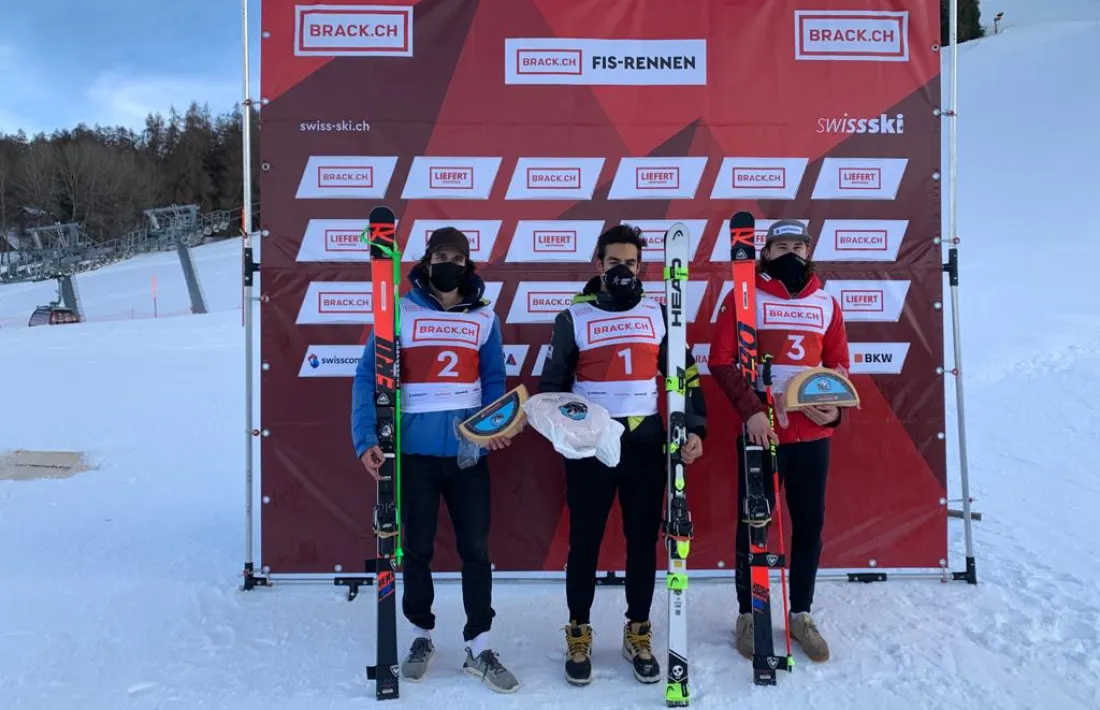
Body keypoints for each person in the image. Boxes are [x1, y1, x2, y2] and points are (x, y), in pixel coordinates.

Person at [351, 227, 520, 694]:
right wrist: (365, 438)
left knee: (476, 549)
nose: (449, 264)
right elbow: (367, 376)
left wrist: (494, 427)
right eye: (441, 256)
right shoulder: (399, 311)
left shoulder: (484, 316)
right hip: (414, 454)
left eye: (457, 258)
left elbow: (494, 379)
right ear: (427, 262)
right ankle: (421, 635)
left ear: (467, 265)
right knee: (417, 548)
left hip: (467, 453)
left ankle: (479, 644)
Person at [539, 224, 707, 686]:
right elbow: (552, 387)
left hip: (645, 444)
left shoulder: (660, 313)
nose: (621, 271)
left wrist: (694, 427)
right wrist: (572, 430)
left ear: (640, 267)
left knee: (641, 542)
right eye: (613, 262)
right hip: (592, 446)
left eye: (630, 263)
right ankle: (578, 632)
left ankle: (638, 632)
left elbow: (686, 375)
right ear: (599, 264)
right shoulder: (574, 317)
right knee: (585, 542)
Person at [708, 219, 851, 664]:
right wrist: (750, 409)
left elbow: (838, 366)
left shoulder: (825, 302)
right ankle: (749, 614)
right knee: (754, 524)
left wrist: (836, 410)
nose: (790, 253)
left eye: (798, 246)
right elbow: (721, 360)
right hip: (763, 428)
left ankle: (801, 612)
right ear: (766, 253)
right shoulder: (744, 296)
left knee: (808, 525)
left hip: (812, 434)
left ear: (809, 252)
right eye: (781, 246)